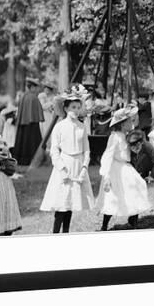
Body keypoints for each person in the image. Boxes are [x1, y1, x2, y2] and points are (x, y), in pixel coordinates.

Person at [40, 86, 95, 233]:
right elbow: (54, 150)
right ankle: (56, 233)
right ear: (65, 108)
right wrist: (61, 169)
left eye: (78, 107)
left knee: (71, 203)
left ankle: (66, 232)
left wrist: (84, 168)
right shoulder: (59, 127)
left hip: (77, 165)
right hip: (64, 165)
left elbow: (86, 150)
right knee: (62, 203)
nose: (76, 110)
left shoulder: (82, 127)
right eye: (73, 107)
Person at [96, 105, 151, 231]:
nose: (131, 124)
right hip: (116, 168)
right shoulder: (114, 136)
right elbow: (108, 155)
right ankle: (104, 225)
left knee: (137, 186)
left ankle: (134, 222)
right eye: (128, 121)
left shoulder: (127, 135)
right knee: (113, 196)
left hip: (126, 167)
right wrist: (107, 175)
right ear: (121, 124)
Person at [12, 78, 44, 165]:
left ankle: (21, 160)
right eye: (36, 87)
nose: (38, 89)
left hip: (23, 124)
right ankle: (33, 159)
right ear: (32, 87)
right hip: (33, 124)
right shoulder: (34, 98)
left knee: (22, 142)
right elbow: (39, 111)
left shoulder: (23, 96)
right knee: (33, 142)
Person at [38, 82, 56, 149]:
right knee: (43, 131)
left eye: (48, 89)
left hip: (49, 116)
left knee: (49, 130)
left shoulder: (53, 97)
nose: (46, 90)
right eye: (45, 88)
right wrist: (50, 103)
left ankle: (49, 146)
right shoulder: (42, 96)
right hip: (43, 115)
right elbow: (42, 106)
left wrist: (51, 105)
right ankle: (43, 146)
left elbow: (54, 107)